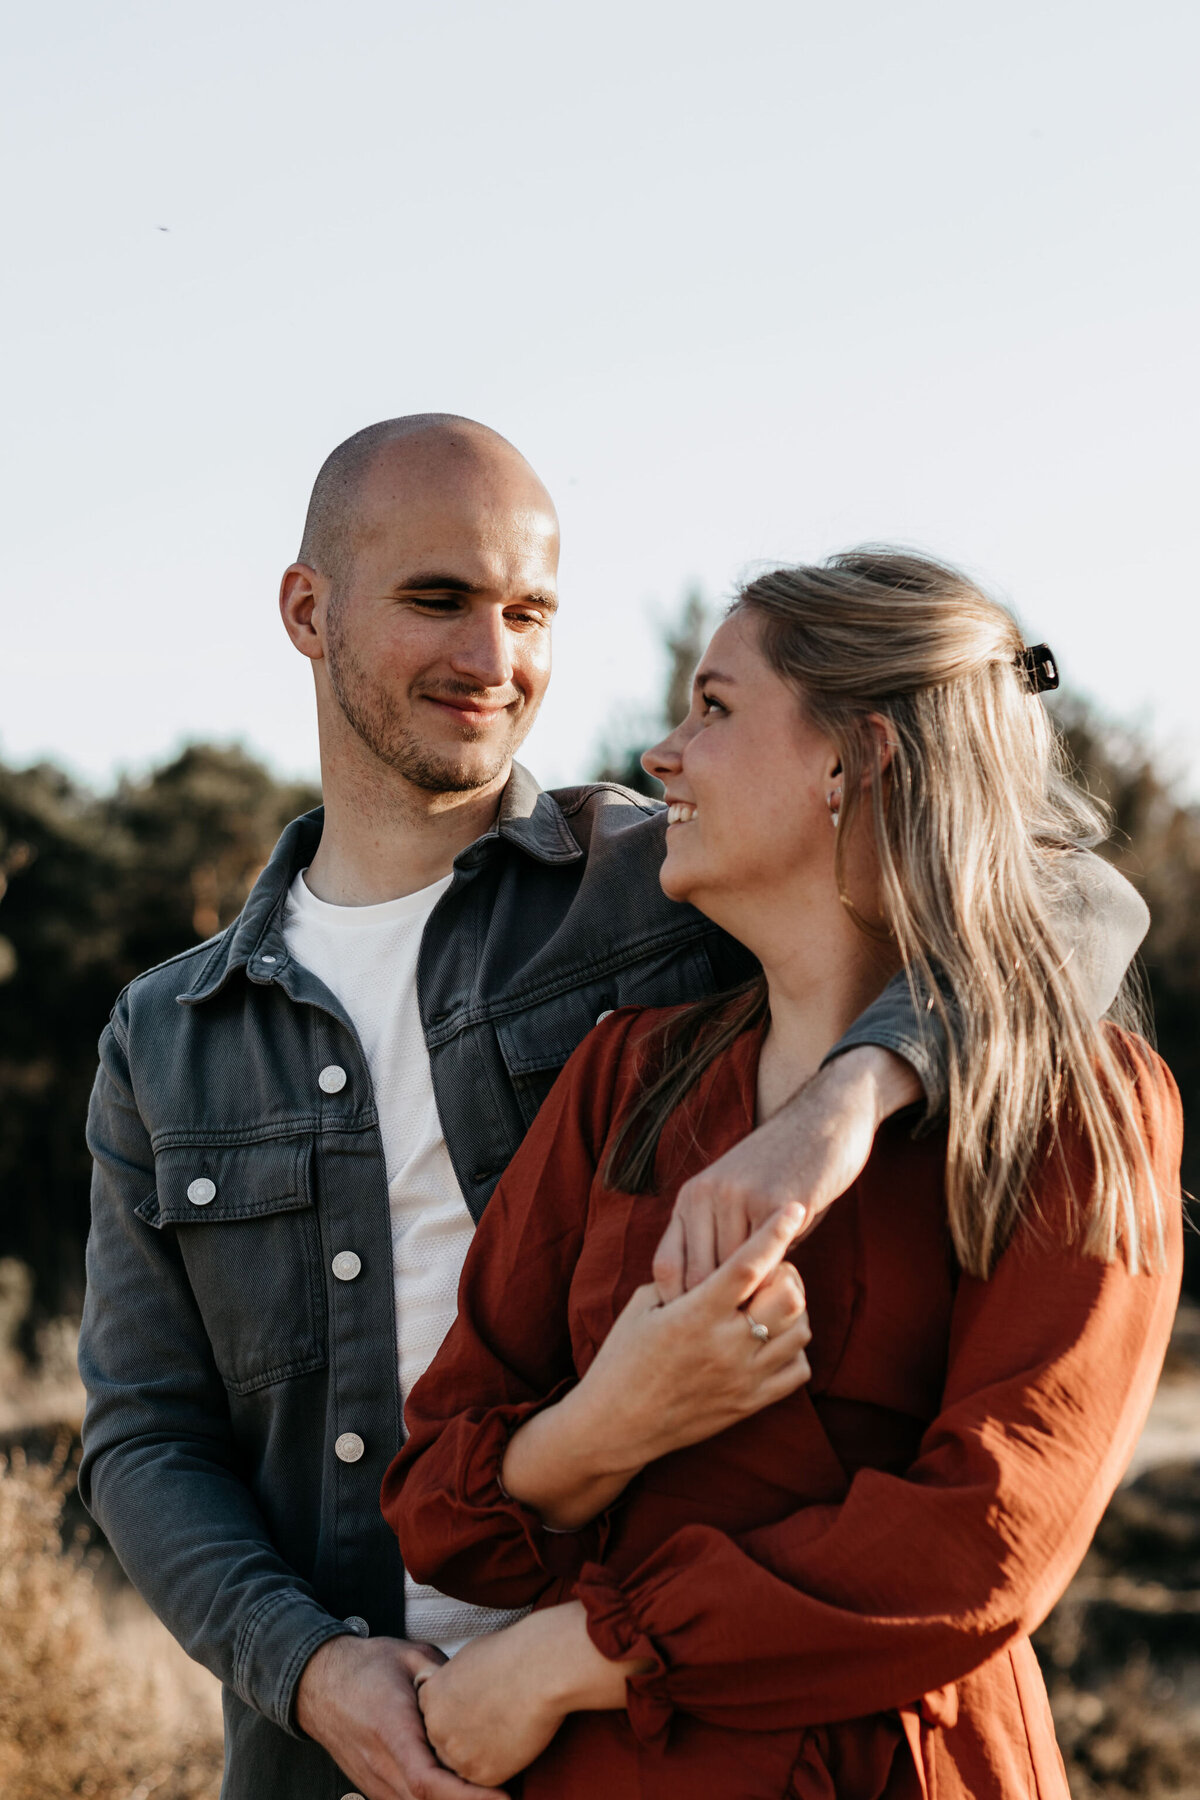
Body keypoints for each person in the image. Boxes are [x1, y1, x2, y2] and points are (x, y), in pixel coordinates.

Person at [78, 418, 1145, 1800]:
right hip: (341, 1755)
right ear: (307, 610)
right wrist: (311, 1672)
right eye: (438, 601)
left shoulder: (662, 879)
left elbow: (1043, 890)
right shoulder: (169, 1038)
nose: (493, 657)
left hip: (672, 1723)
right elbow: (144, 1434)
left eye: (528, 611)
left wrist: (851, 1092)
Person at [383, 550, 1183, 1799]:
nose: (662, 754)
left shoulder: (1080, 1106)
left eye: (712, 706)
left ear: (849, 762)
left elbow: (989, 1541)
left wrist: (584, 1651)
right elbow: (437, 1498)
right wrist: (610, 1423)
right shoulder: (622, 1079)